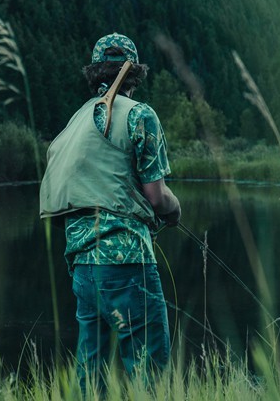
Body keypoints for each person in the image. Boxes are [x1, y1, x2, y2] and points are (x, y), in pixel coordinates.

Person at [39, 32, 181, 394]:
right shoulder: (140, 115)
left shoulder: (76, 122)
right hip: (127, 262)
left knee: (91, 370)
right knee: (148, 368)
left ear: (94, 72)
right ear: (135, 74)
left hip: (83, 266)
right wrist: (174, 210)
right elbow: (156, 195)